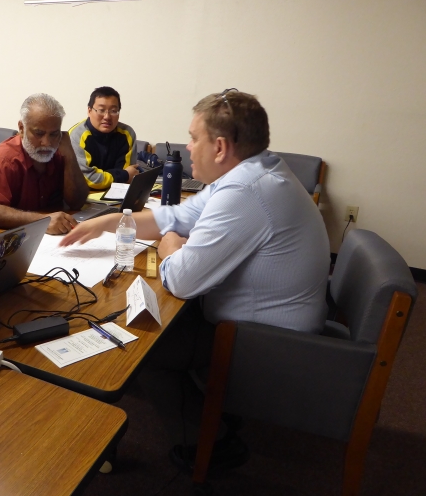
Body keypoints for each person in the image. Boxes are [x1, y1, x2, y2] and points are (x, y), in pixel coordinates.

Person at [61, 89, 330, 471]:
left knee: (146, 350)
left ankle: (211, 445)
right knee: (165, 320)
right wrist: (109, 221)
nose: (187, 148)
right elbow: (175, 218)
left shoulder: (245, 192)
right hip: (266, 324)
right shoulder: (254, 171)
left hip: (268, 344)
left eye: (193, 138)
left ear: (219, 147)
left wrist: (171, 244)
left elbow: (181, 278)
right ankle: (212, 411)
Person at [0, 93, 89, 235]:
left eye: (54, 134)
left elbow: (77, 202)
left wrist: (70, 157)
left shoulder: (60, 152)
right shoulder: (3, 159)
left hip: (55, 236)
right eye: (38, 133)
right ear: (21, 128)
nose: (47, 143)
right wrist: (42, 221)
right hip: (15, 240)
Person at [68, 86, 138, 189]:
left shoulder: (127, 134)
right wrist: (123, 175)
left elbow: (126, 179)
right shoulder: (76, 136)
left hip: (117, 196)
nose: (107, 117)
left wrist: (122, 176)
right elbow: (88, 179)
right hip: (84, 197)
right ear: (89, 110)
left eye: (114, 111)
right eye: (101, 110)